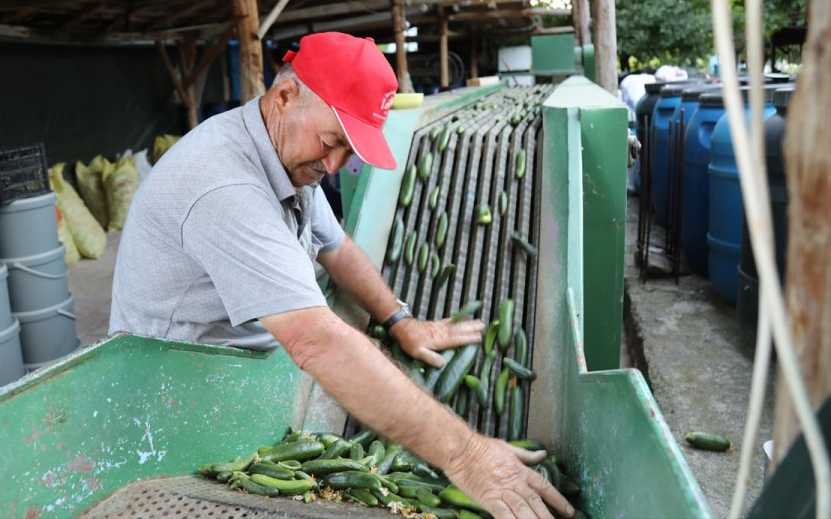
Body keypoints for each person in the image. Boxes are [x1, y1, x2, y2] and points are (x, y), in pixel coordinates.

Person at [109, 31, 574, 519]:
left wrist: (399, 320)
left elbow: (335, 246)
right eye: (331, 142)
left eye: (348, 152)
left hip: (242, 375)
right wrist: (467, 456)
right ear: (285, 97)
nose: (333, 166)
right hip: (170, 404)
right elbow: (315, 341)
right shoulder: (224, 185)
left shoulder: (287, 152)